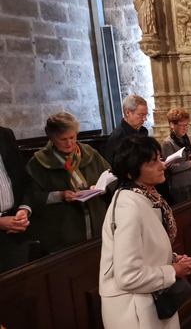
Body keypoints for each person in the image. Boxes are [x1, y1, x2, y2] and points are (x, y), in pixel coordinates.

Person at [99, 135, 191, 329]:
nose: (162, 165)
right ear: (131, 172)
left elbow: (144, 246)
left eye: (159, 158)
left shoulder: (145, 196)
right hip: (134, 310)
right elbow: (128, 276)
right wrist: (174, 270)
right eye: (152, 162)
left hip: (150, 301)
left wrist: (173, 258)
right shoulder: (129, 207)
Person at [26, 113, 113, 254]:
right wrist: (60, 195)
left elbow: (112, 177)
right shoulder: (39, 161)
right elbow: (31, 196)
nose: (69, 143)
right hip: (62, 232)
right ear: (52, 138)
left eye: (72, 137)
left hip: (97, 225)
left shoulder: (89, 153)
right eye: (63, 139)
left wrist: (99, 189)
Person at [0, 126, 33, 272]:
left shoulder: (5, 134)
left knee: (19, 289)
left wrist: (24, 209)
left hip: (16, 229)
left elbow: (24, 180)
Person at [161, 108, 191, 204]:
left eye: (186, 125)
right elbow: (171, 167)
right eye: (182, 125)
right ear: (172, 125)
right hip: (182, 186)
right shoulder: (168, 143)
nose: (185, 128)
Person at [106, 95, 149, 165]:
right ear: (128, 112)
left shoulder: (143, 131)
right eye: (141, 115)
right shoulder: (118, 137)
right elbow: (114, 166)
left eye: (146, 115)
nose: (145, 119)